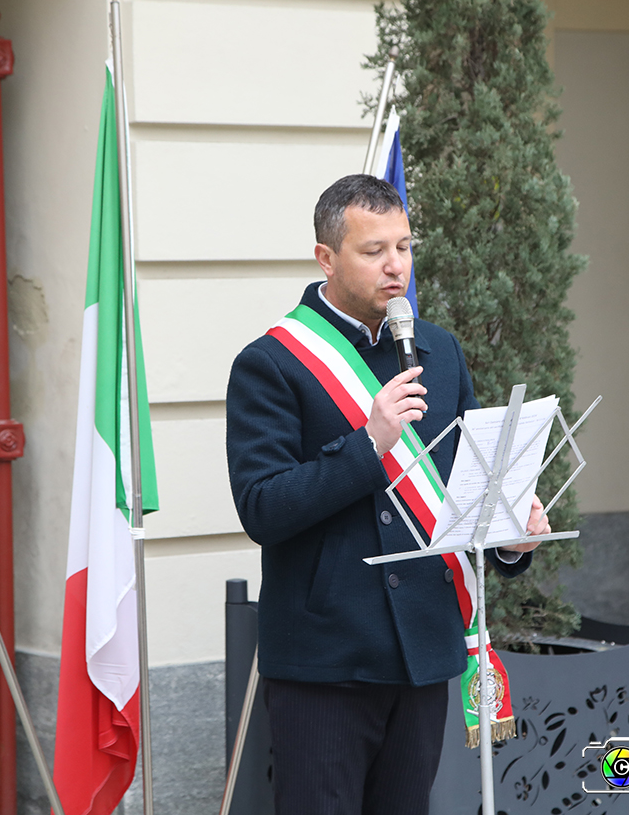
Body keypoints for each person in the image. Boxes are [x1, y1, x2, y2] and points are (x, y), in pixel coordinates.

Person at [225, 174, 551, 815]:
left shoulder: (439, 351)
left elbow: (466, 487)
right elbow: (263, 508)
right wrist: (368, 442)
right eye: (373, 251)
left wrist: (511, 535)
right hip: (327, 658)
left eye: (403, 247)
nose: (395, 266)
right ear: (327, 258)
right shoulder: (272, 362)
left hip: (423, 650)